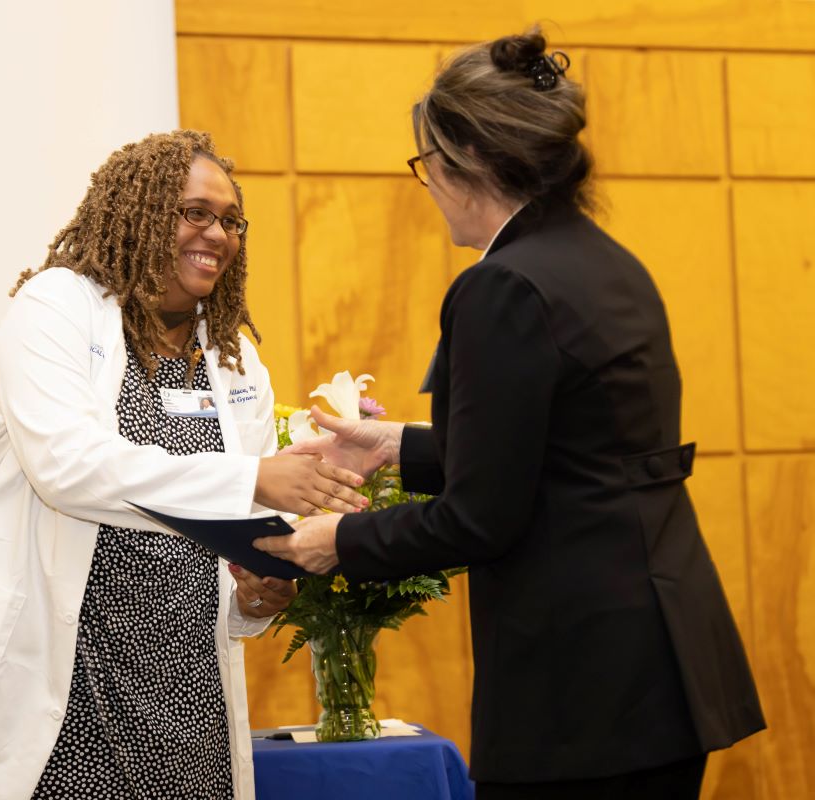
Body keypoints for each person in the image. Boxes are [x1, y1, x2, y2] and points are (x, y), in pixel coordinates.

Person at [255, 29, 765, 800]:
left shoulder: (503, 287)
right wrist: (395, 445)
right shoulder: (607, 263)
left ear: (469, 162)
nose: (425, 185)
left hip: (580, 693)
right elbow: (568, 453)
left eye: (426, 164)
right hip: (659, 669)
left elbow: (483, 516)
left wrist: (338, 540)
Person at [0, 130, 367, 800]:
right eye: (196, 212)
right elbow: (68, 469)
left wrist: (255, 595)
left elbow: (231, 544)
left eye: (231, 221)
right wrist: (253, 478)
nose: (219, 234)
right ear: (136, 210)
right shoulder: (55, 307)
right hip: (62, 696)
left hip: (184, 702)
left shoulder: (234, 361)